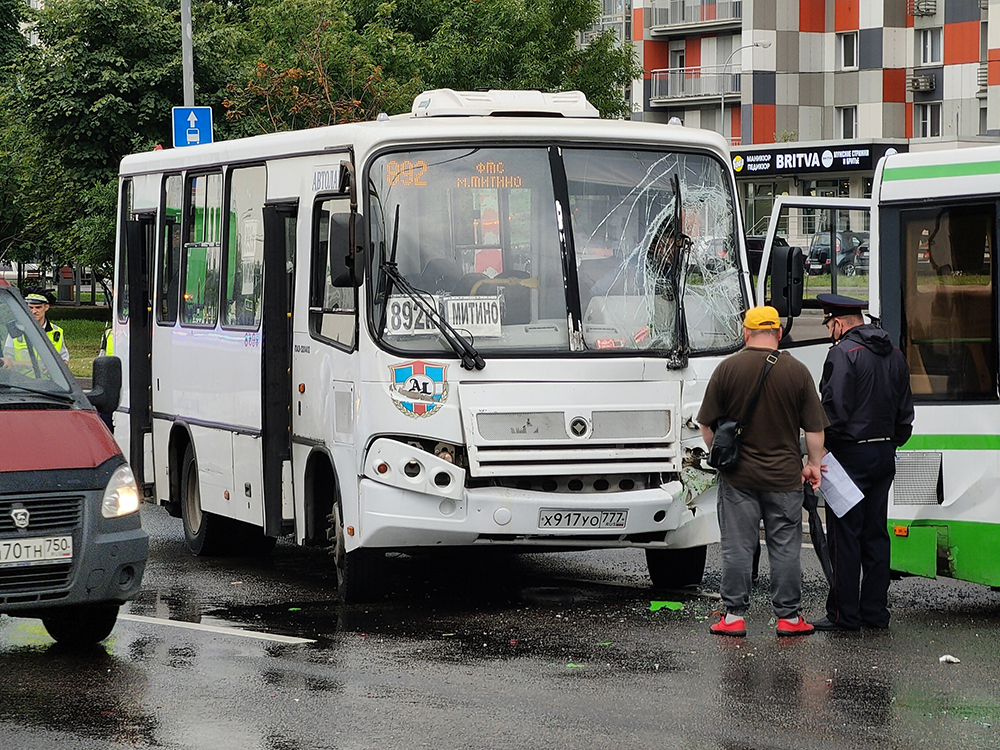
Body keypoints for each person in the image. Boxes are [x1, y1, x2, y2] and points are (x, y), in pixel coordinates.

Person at [698, 305, 828, 637]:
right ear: (779, 334)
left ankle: (734, 617)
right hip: (784, 479)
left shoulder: (728, 369)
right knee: (785, 547)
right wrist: (813, 465)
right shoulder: (797, 371)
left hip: (739, 478)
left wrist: (721, 455)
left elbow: (706, 425)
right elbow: (814, 430)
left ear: (746, 333)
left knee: (738, 546)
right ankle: (789, 617)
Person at [812, 294, 914, 632]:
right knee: (876, 535)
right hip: (885, 453)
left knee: (844, 537)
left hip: (850, 456)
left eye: (829, 325)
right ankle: (875, 613)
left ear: (838, 322)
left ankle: (844, 615)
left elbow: (834, 412)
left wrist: (823, 446)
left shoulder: (842, 354)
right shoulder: (895, 354)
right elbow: (905, 415)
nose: (830, 332)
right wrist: (890, 441)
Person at [0, 290, 70, 368]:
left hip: (49, 380)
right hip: (22, 379)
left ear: (46, 307)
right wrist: (34, 366)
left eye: (38, 307)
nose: (34, 311)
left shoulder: (57, 332)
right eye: (30, 307)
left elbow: (64, 360)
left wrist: (56, 368)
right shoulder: (16, 330)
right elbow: (7, 362)